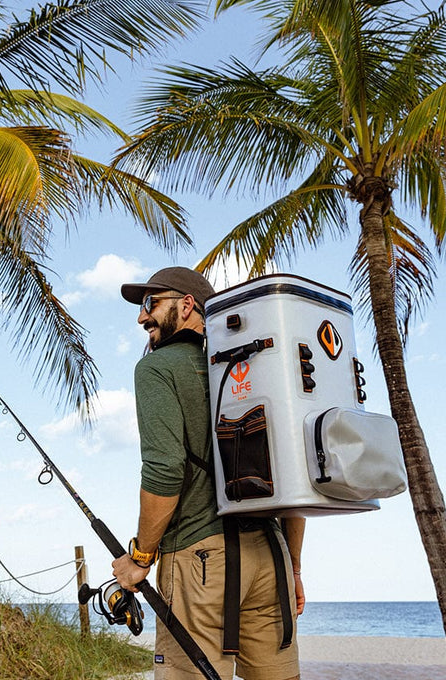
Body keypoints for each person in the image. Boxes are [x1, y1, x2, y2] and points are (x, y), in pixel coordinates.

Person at [112, 266, 306, 680]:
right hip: (271, 557)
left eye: (150, 303)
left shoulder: (157, 368)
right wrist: (293, 568)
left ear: (186, 306)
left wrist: (141, 557)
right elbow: (294, 471)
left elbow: (165, 469)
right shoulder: (256, 366)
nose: (142, 317)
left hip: (200, 559)